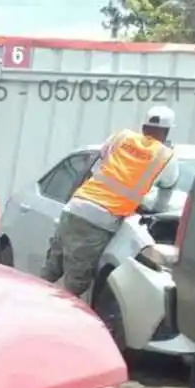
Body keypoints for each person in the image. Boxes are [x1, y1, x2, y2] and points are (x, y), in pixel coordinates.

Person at [41, 104, 177, 297]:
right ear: (167, 131)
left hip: (75, 205)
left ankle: (26, 309)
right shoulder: (166, 157)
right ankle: (54, 323)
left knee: (50, 270)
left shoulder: (122, 137)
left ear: (144, 127)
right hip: (99, 219)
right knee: (76, 284)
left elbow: (103, 159)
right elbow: (167, 189)